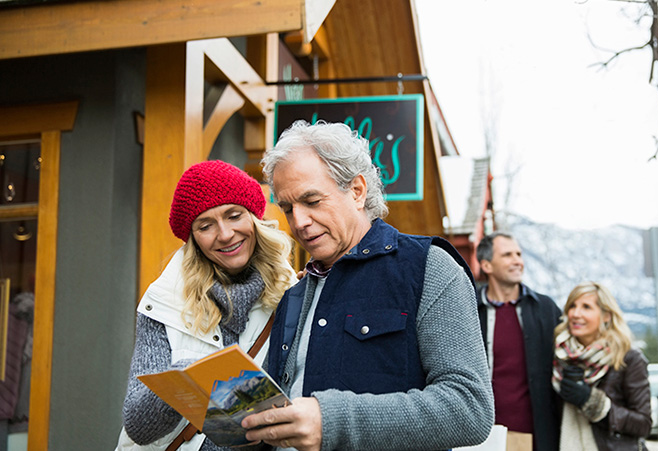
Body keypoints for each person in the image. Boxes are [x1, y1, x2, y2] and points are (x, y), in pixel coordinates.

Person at [241, 120, 494, 451]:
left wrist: (331, 422)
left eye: (312, 201)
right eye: (288, 208)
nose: (299, 222)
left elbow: (469, 409)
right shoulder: (294, 294)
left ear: (357, 191)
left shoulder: (429, 267)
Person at [117, 160, 295, 451]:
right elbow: (139, 427)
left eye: (234, 215)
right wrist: (190, 376)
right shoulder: (165, 299)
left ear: (254, 218)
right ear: (194, 239)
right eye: (205, 225)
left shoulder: (291, 297)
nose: (224, 234)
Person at [475, 232, 562, 451]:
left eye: (519, 254)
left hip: (535, 436)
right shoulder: (469, 309)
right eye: (507, 255)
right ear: (487, 265)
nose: (517, 261)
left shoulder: (546, 309)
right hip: (481, 437)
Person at [552, 282, 651, 451]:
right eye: (572, 306)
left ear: (606, 315)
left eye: (586, 307)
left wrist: (594, 403)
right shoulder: (559, 357)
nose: (576, 314)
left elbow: (643, 424)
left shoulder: (628, 358)